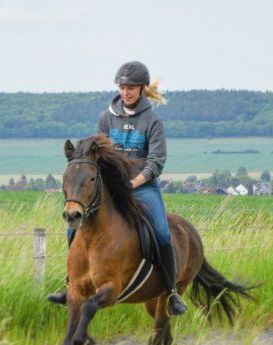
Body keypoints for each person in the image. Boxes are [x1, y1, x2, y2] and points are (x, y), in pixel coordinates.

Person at [48, 60, 186, 315]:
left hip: (143, 188)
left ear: (142, 88)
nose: (126, 92)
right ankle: (71, 285)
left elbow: (156, 162)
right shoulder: (105, 119)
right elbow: (95, 156)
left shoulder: (153, 121)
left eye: (131, 87)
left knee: (162, 233)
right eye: (122, 87)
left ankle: (171, 292)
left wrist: (134, 182)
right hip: (111, 190)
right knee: (74, 228)